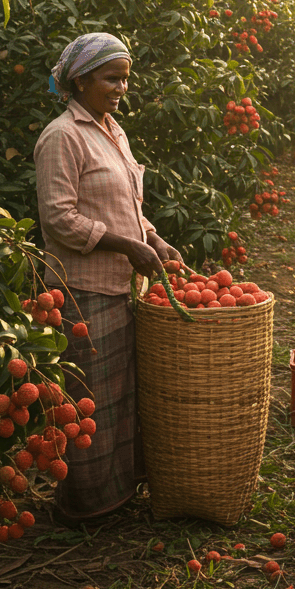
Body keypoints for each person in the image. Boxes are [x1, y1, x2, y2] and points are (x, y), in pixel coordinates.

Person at [34, 32, 182, 524]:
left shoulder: (111, 129)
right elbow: (58, 219)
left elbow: (128, 206)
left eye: (125, 79)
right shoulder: (62, 136)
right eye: (111, 78)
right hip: (83, 290)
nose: (121, 88)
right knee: (88, 400)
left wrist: (153, 239)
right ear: (80, 80)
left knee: (121, 396)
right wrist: (125, 246)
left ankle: (120, 493)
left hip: (121, 287)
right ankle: (86, 505)